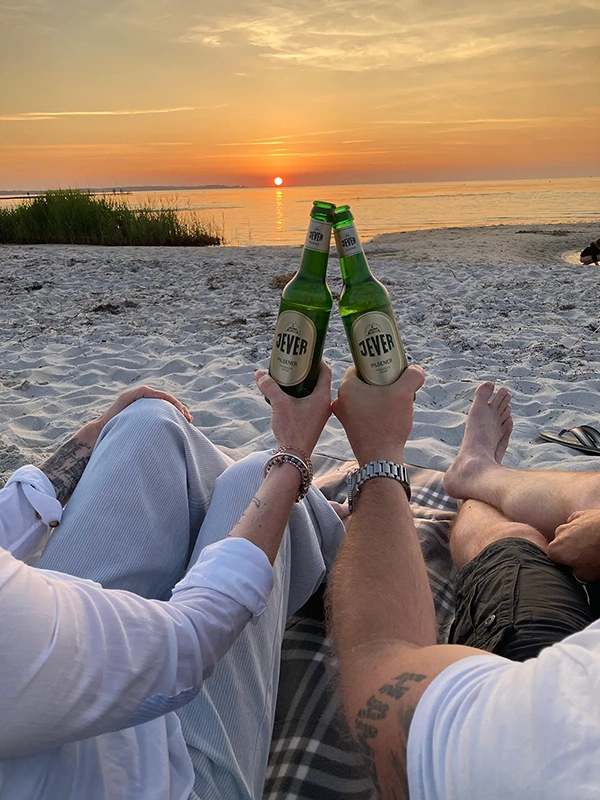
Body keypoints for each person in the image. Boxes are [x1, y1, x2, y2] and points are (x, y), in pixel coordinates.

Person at [0, 371, 345, 799]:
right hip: (162, 780)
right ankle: (324, 534)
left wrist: (93, 434)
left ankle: (303, 520)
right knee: (256, 476)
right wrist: (292, 459)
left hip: (55, 694)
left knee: (146, 420)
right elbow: (191, 642)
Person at [328, 369, 600, 800]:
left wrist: (378, 457)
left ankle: (475, 480)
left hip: (549, 655)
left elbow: (379, 668)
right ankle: (481, 470)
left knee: (513, 542)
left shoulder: (551, 745)